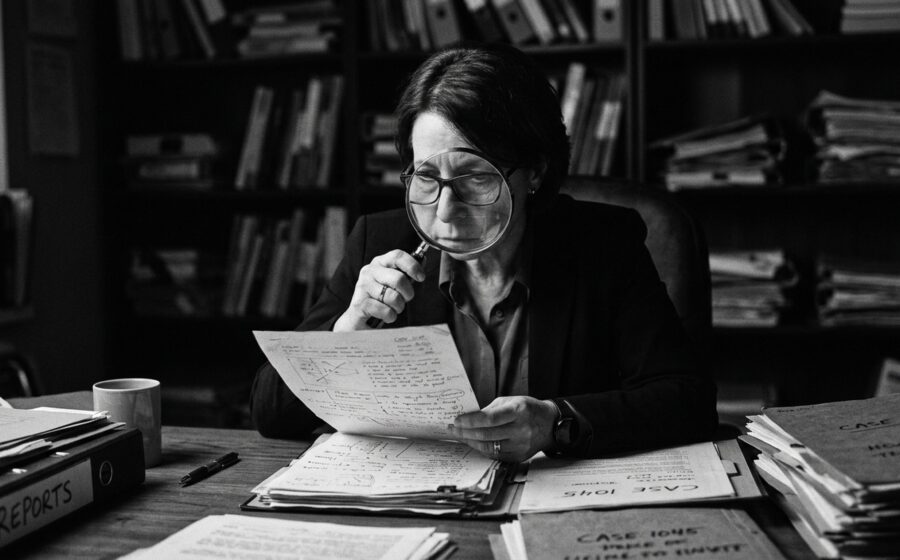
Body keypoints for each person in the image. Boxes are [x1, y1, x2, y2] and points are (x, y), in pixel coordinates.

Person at [250, 43, 718, 462]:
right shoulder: (379, 240)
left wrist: (555, 422)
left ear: (533, 172)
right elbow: (271, 412)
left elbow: (687, 399)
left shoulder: (602, 243)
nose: (446, 212)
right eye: (427, 178)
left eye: (475, 178)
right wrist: (347, 330)